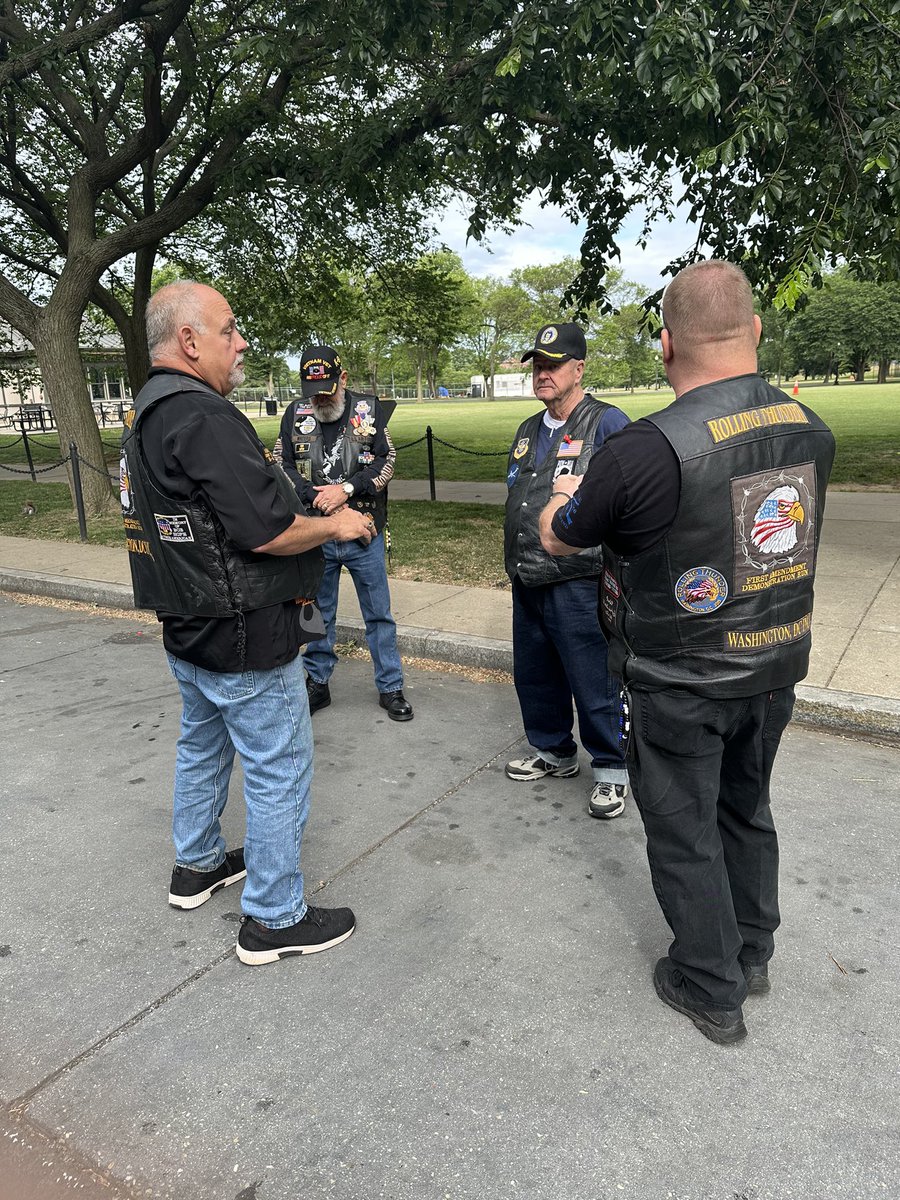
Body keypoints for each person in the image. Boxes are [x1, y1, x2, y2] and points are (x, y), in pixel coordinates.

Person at [539, 261, 835, 1043]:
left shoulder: (644, 450)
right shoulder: (812, 427)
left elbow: (562, 536)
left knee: (682, 827)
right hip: (774, 668)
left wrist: (565, 497)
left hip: (680, 679)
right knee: (747, 806)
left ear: (666, 344)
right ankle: (753, 948)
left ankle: (710, 985)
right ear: (757, 330)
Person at [120, 281, 374, 966]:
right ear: (190, 341)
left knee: (202, 746)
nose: (241, 343)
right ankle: (273, 916)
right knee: (278, 765)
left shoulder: (147, 412)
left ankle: (197, 864)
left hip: (190, 626)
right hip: (243, 633)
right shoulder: (201, 416)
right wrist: (337, 523)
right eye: (229, 330)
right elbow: (266, 531)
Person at [503, 321, 631, 818]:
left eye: (553, 365)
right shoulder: (529, 429)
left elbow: (629, 501)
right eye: (537, 365)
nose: (543, 373)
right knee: (535, 676)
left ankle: (611, 768)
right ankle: (554, 751)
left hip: (579, 578)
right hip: (527, 574)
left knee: (594, 678)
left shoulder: (607, 423)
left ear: (579, 369)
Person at [273, 345, 413, 721]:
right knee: (318, 611)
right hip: (317, 532)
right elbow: (280, 464)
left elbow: (388, 460)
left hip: (364, 530)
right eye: (313, 390)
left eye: (328, 389)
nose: (320, 397)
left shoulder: (368, 409)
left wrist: (347, 490)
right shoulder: (295, 413)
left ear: (344, 379)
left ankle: (391, 686)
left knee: (379, 614)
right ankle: (317, 682)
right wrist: (314, 498)